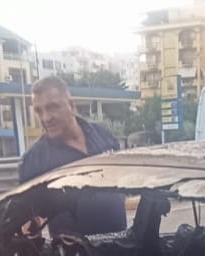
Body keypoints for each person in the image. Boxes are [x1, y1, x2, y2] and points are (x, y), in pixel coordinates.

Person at [18, 77, 125, 236]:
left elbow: (122, 182)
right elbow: (29, 224)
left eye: (52, 107)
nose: (46, 118)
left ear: (72, 106)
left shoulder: (102, 134)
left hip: (122, 247)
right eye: (39, 111)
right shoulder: (34, 159)